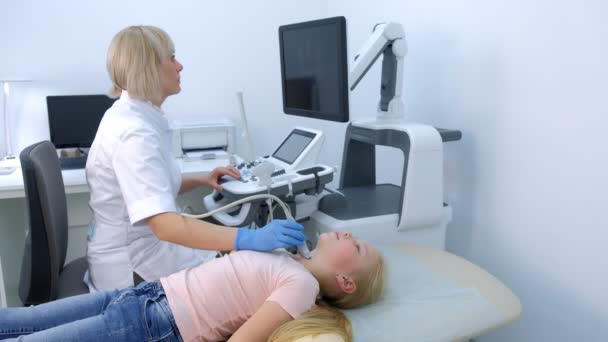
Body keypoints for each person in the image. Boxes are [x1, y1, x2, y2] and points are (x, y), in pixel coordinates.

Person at [84, 25, 306, 291]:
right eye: (172, 58)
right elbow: (166, 226)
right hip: (133, 270)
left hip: (145, 249)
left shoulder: (133, 114)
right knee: (249, 278)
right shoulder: (134, 134)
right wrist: (250, 236)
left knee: (243, 267)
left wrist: (203, 178)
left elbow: (153, 186)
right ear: (149, 67)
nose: (180, 66)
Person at [0, 231, 384, 342]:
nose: (349, 233)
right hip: (144, 295)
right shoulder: (288, 257)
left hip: (155, 323)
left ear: (346, 282)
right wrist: (252, 237)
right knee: (19, 320)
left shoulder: (300, 287)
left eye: (357, 245)